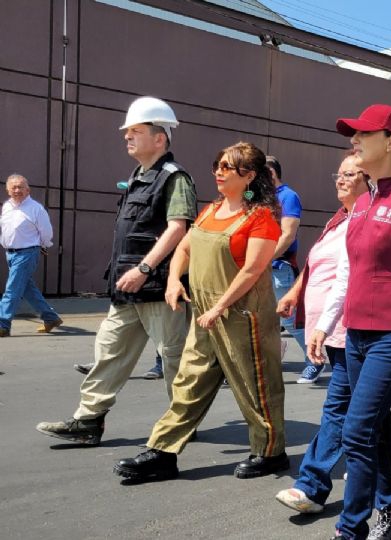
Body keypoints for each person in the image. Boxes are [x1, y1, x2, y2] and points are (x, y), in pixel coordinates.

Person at [112, 141, 288, 482]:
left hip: (242, 316)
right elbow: (185, 246)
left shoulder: (261, 218)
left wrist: (221, 306)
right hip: (205, 313)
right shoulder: (212, 210)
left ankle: (270, 453)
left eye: (227, 167)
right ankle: (162, 452)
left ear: (249, 176)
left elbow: (253, 271)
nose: (218, 173)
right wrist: (174, 280)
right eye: (217, 165)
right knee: (188, 381)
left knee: (255, 384)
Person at [37, 96, 196, 446]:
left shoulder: (175, 177)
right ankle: (88, 421)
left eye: (136, 131)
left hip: (156, 286)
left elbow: (178, 229)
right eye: (128, 131)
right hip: (126, 286)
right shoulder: (138, 176)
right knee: (108, 351)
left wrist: (144, 267)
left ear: (160, 138)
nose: (127, 136)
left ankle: (182, 419)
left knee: (173, 357)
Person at [308, 104, 391, 540]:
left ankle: (350, 529)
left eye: (364, 134)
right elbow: (348, 272)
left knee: (357, 431)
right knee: (376, 429)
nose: (354, 141)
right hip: (356, 335)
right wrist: (326, 324)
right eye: (353, 135)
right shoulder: (361, 203)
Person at [275, 152, 381, 513]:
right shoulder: (339, 219)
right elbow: (314, 264)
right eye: (340, 173)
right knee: (363, 408)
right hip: (328, 331)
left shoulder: (369, 220)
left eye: (351, 174)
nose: (341, 179)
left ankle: (312, 485)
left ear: (369, 180)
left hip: (353, 332)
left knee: (340, 407)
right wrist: (293, 292)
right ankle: (367, 468)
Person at [266, 155, 313, 384]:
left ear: (271, 173)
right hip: (259, 268)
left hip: (278, 266)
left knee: (289, 319)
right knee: (259, 318)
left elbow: (288, 235)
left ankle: (315, 359)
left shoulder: (288, 196)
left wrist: (264, 258)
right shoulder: (254, 196)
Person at [0, 174, 61, 337]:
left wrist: (43, 245)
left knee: (12, 289)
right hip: (10, 253)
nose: (17, 190)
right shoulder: (7, 206)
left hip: (27, 253)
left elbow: (46, 232)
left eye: (21, 187)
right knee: (27, 289)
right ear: (8, 190)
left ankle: (2, 324)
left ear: (28, 190)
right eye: (13, 187)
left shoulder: (36, 208)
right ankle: (51, 318)